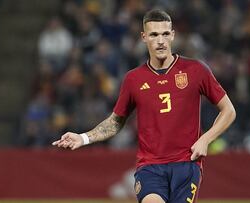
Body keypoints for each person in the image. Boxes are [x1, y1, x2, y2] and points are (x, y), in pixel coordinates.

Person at [52, 9, 236, 203]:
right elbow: (115, 122)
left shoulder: (196, 70)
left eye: (165, 34)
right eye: (154, 35)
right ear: (144, 37)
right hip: (150, 167)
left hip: (186, 165)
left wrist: (205, 139)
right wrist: (83, 138)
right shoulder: (134, 79)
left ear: (173, 35)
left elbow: (229, 110)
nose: (161, 40)